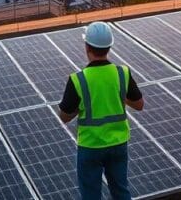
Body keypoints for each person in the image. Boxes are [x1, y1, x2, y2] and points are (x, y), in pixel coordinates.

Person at [59, 21, 144, 200]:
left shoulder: (78, 79)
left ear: (87, 46)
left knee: (91, 194)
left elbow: (65, 116)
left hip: (91, 146)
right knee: (121, 190)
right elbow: (139, 105)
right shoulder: (123, 73)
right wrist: (117, 95)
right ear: (109, 47)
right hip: (118, 144)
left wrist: (81, 106)